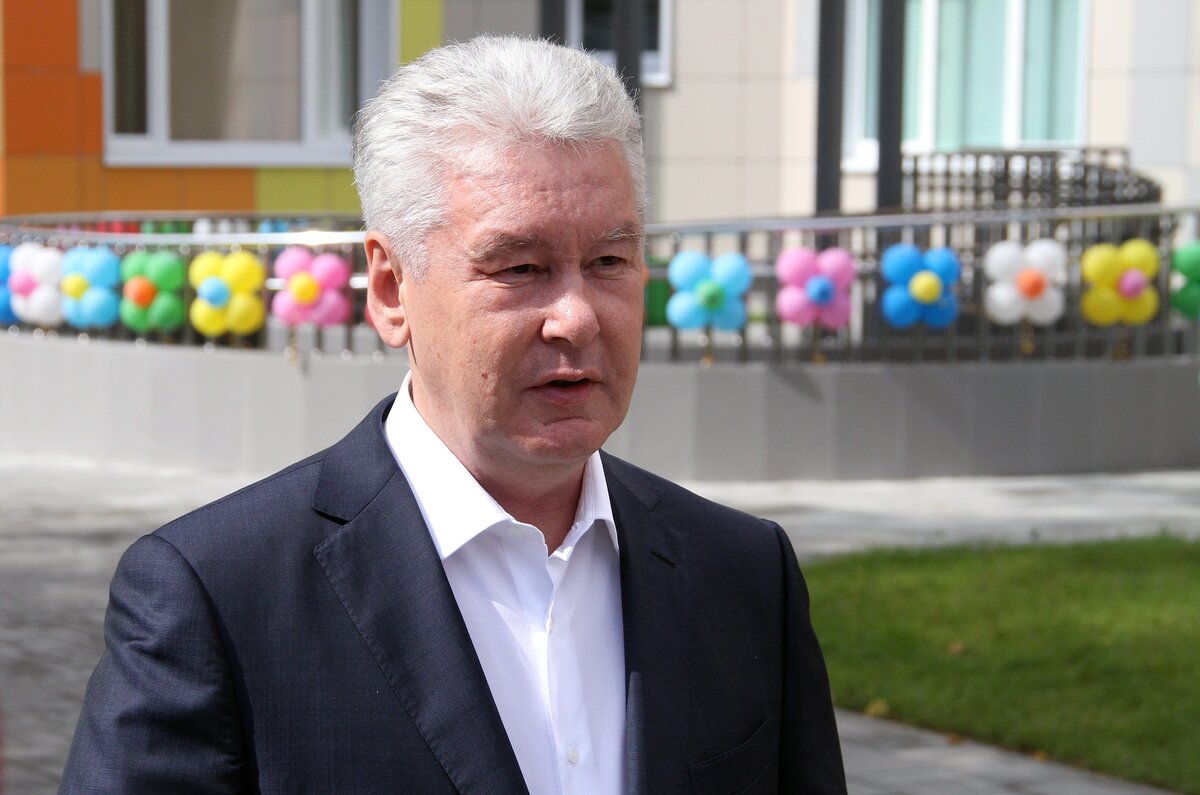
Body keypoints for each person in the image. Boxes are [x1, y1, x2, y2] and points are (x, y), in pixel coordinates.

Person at [62, 36, 846, 793]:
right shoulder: (218, 596)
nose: (577, 316)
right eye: (521, 267)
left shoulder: (744, 574)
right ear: (391, 289)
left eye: (608, 260)